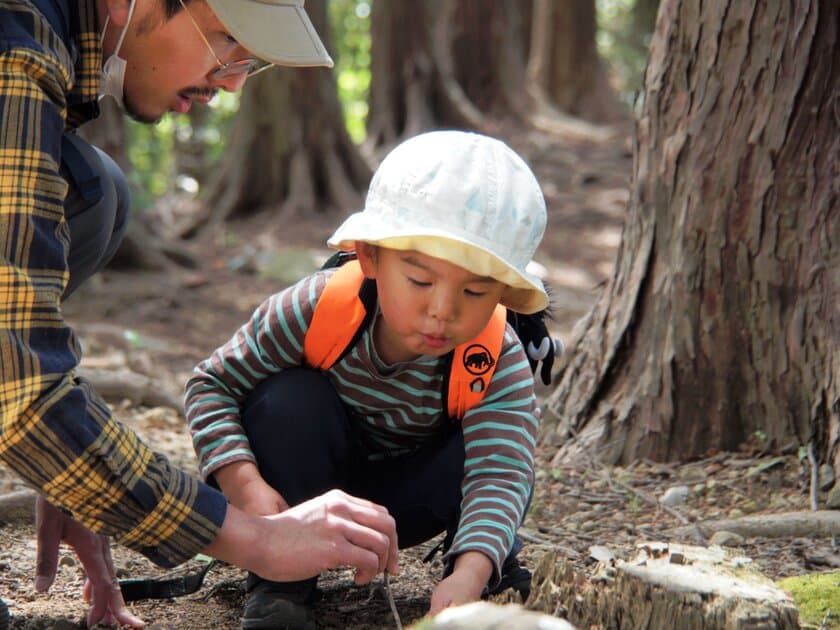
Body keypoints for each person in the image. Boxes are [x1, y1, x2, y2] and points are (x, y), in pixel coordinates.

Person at [0, 1, 397, 627]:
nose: (235, 82)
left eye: (250, 61)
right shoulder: (14, 57)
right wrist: (253, 539)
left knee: (91, 195)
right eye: (224, 42)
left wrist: (69, 468)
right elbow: (19, 393)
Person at [184, 130, 549, 628]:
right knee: (285, 400)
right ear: (371, 256)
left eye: (476, 291)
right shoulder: (315, 309)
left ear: (503, 294)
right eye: (420, 281)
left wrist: (471, 573)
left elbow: (500, 473)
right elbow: (212, 385)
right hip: (306, 487)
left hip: (410, 500)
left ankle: (481, 562)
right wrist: (243, 484)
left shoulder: (493, 355)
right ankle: (280, 588)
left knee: (499, 450)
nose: (442, 312)